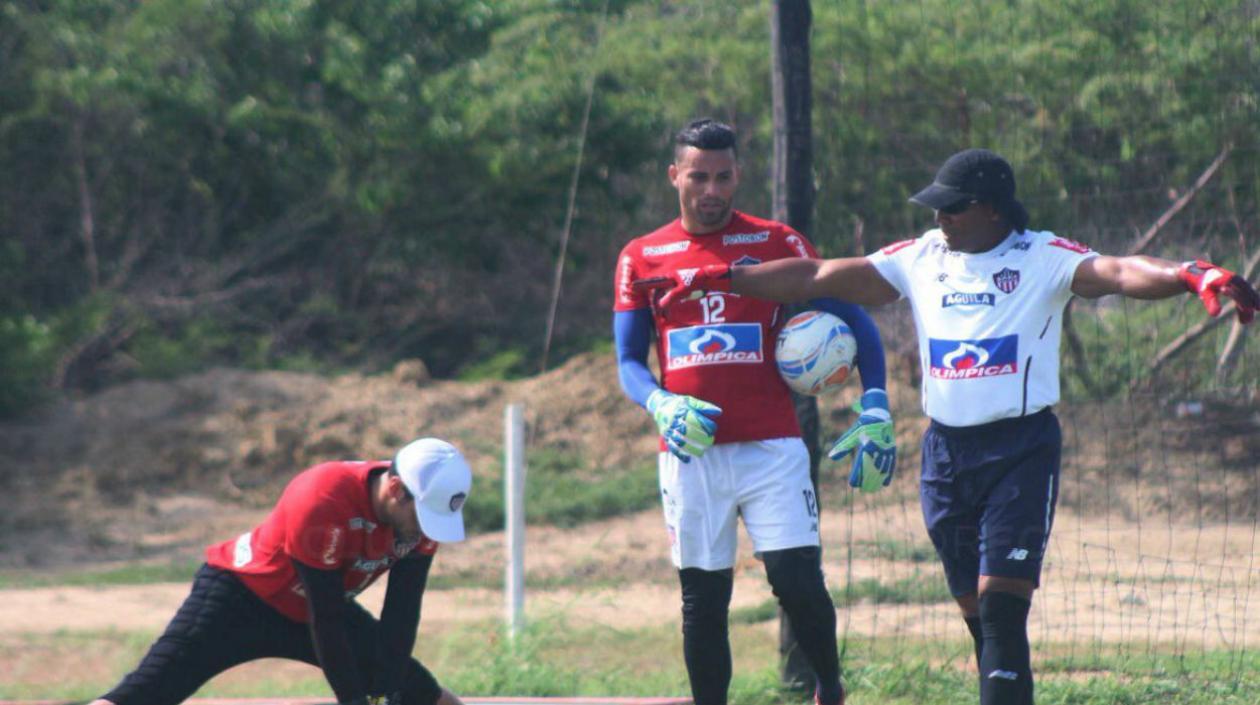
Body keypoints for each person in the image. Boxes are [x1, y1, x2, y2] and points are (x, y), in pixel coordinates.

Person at [633, 147, 1260, 705]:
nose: (941, 219)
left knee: (999, 611)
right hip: (944, 457)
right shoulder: (922, 257)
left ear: (990, 210)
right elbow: (819, 276)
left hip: (1019, 451)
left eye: (953, 209)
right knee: (980, 620)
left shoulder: (1040, 256)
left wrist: (1187, 274)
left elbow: (1121, 271)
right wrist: (722, 277)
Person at [613, 118, 895, 705]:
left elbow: (856, 319)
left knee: (796, 580)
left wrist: (875, 401)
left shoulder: (777, 243)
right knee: (702, 598)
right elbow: (627, 361)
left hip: (773, 446)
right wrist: (658, 401)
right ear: (675, 176)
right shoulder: (641, 257)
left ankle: (830, 689)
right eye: (698, 177)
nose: (711, 190)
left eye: (723, 177)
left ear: (738, 175)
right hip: (691, 452)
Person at [90, 438, 475, 705]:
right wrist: (355, 700)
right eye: (423, 517)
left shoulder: (422, 517)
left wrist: (388, 692)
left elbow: (401, 615)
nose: (427, 530)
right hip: (240, 597)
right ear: (395, 488)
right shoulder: (324, 497)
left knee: (422, 694)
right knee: (144, 694)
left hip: (319, 609)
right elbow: (323, 617)